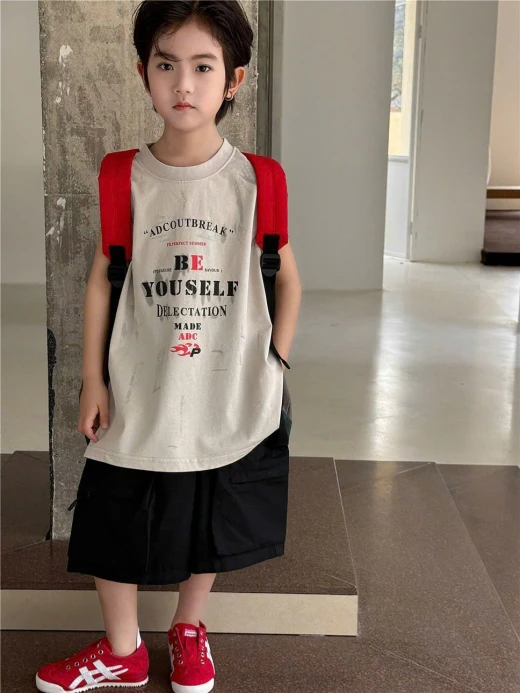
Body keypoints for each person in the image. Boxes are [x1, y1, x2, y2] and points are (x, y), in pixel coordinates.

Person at [35, 1, 302, 692]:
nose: (183, 83)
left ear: (234, 79)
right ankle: (123, 648)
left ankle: (189, 626)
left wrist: (274, 362)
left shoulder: (258, 180)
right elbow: (102, 278)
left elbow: (286, 276)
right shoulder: (122, 175)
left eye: (203, 67)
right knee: (111, 507)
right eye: (166, 65)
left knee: (212, 507)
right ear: (143, 74)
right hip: (140, 378)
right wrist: (93, 378)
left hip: (226, 381)